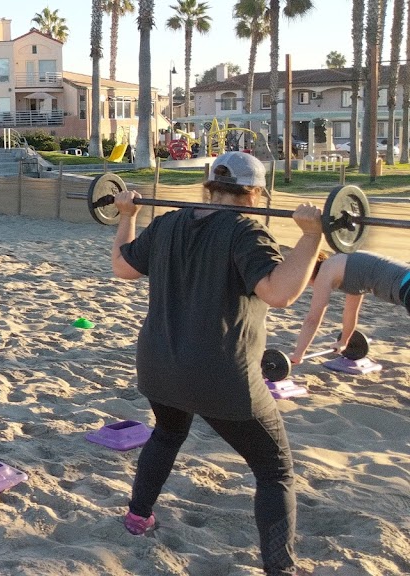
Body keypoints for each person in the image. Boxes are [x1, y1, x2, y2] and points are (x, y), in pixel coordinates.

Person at [111, 152, 323, 576]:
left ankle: (138, 516)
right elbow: (279, 293)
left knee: (167, 432)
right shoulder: (247, 230)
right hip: (221, 376)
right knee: (275, 470)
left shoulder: (168, 222)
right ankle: (280, 568)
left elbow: (122, 267)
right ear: (256, 193)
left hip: (159, 366)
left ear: (210, 186)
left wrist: (127, 217)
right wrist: (312, 236)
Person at [290, 251, 410, 364]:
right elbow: (351, 312)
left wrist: (298, 354)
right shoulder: (345, 265)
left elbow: (313, 319)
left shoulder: (325, 273)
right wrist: (344, 342)